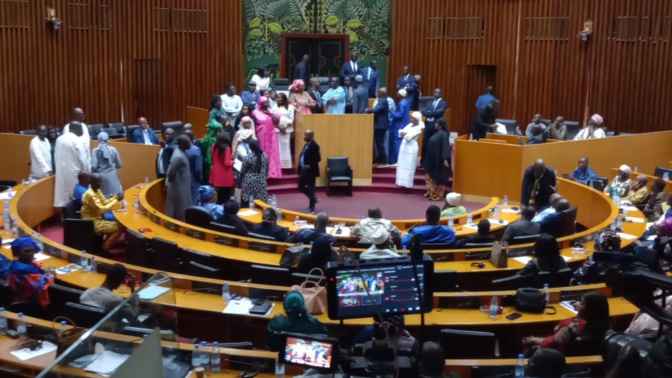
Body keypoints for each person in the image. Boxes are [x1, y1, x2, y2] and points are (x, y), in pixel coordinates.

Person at [522, 291, 610, 353]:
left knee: (524, 343)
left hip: (558, 356)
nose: (576, 303)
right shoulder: (605, 325)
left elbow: (553, 343)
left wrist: (533, 339)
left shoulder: (571, 326)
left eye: (581, 303)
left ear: (590, 309)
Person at [7, 236, 53, 308]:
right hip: (31, 302)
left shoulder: (18, 262)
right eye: (26, 251)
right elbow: (43, 283)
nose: (30, 253)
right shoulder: (23, 270)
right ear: (17, 253)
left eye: (32, 250)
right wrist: (51, 275)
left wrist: (41, 268)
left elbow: (34, 263)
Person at [81, 173, 124, 252]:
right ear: (91, 182)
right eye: (98, 182)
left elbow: (104, 202)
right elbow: (102, 209)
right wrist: (116, 200)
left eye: (100, 182)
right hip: (92, 223)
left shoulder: (96, 190)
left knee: (120, 224)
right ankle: (103, 249)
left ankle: (106, 243)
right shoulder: (90, 195)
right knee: (119, 228)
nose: (100, 184)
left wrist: (115, 197)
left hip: (98, 219)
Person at [54, 122, 89, 207]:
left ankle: (65, 216)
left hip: (61, 172)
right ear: (75, 129)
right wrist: (86, 172)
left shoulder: (59, 139)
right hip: (74, 173)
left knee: (63, 197)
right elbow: (83, 160)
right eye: (81, 129)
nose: (82, 131)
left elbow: (56, 156)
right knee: (75, 198)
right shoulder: (77, 140)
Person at [253, 96, 282, 179]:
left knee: (272, 153)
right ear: (260, 103)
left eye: (267, 102)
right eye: (265, 102)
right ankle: (261, 173)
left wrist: (271, 113)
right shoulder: (255, 112)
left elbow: (277, 121)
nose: (267, 103)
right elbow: (253, 124)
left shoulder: (272, 111)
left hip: (271, 135)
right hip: (261, 135)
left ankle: (272, 173)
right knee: (262, 152)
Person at [423, 118, 452, 201]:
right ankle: (431, 192)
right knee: (429, 176)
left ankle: (437, 195)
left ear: (440, 125)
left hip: (439, 160)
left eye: (436, 123)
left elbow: (445, 147)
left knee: (438, 177)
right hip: (432, 159)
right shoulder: (437, 133)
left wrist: (445, 159)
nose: (435, 125)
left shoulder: (444, 134)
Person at [165, 135, 192, 221]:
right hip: (179, 188)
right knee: (181, 211)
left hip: (182, 186)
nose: (190, 143)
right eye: (188, 142)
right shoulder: (178, 156)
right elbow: (171, 172)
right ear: (183, 143)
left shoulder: (180, 151)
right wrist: (173, 185)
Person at [395, 112, 424, 188]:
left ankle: (407, 184)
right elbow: (400, 132)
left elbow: (409, 137)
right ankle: (400, 182)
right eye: (410, 118)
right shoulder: (409, 125)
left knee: (409, 164)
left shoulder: (419, 128)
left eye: (413, 118)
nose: (411, 119)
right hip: (404, 146)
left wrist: (404, 133)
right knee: (402, 163)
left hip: (411, 147)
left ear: (417, 119)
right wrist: (403, 133)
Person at [420, 88, 447, 167]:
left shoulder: (443, 103)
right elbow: (423, 111)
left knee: (434, 143)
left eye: (437, 92)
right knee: (425, 143)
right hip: (428, 124)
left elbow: (440, 112)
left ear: (441, 94)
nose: (435, 93)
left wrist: (429, 112)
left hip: (436, 125)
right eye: (434, 92)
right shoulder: (429, 102)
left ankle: (432, 163)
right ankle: (423, 162)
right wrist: (431, 113)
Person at [90, 132, 122, 196]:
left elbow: (94, 166)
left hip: (100, 178)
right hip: (113, 176)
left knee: (104, 198)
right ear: (107, 139)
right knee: (116, 197)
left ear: (98, 140)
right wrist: (112, 168)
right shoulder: (113, 149)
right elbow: (119, 164)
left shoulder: (95, 151)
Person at [298, 130, 321, 214]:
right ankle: (313, 199)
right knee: (300, 186)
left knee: (311, 189)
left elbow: (318, 158)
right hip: (303, 170)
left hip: (311, 171)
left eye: (306, 135)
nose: (304, 137)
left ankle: (311, 208)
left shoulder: (315, 146)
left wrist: (310, 165)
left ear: (311, 136)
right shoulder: (306, 145)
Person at [367, 88, 390, 167]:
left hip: (381, 125)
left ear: (381, 94)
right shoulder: (382, 100)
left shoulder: (382, 101)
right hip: (379, 125)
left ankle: (384, 161)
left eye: (378, 92)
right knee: (378, 143)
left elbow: (376, 110)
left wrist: (368, 110)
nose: (377, 93)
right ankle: (380, 160)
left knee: (380, 143)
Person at [209, 133, 234, 203]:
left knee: (217, 196)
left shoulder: (213, 146)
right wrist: (232, 162)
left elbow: (213, 158)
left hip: (215, 174)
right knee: (226, 197)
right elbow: (227, 163)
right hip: (225, 175)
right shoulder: (227, 148)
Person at [388, 89, 410, 165]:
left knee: (397, 143)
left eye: (397, 93)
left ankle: (397, 160)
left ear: (400, 95)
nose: (396, 94)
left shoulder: (402, 103)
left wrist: (391, 113)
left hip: (398, 126)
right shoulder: (406, 102)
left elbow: (399, 114)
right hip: (404, 124)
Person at [275, 93, 294, 169]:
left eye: (281, 97)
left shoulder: (290, 107)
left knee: (285, 145)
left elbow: (291, 118)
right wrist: (280, 127)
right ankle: (278, 163)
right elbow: (273, 117)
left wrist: (285, 127)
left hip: (287, 129)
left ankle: (286, 164)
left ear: (284, 98)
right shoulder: (275, 106)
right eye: (278, 97)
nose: (279, 99)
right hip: (277, 128)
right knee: (278, 146)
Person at [184, 129, 203, 204]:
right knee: (194, 201)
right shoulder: (195, 150)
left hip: (182, 180)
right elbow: (198, 167)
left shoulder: (178, 149)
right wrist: (200, 177)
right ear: (192, 138)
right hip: (194, 180)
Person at [201, 119, 222, 184]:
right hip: (210, 164)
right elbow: (208, 153)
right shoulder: (212, 140)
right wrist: (210, 164)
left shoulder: (206, 137)